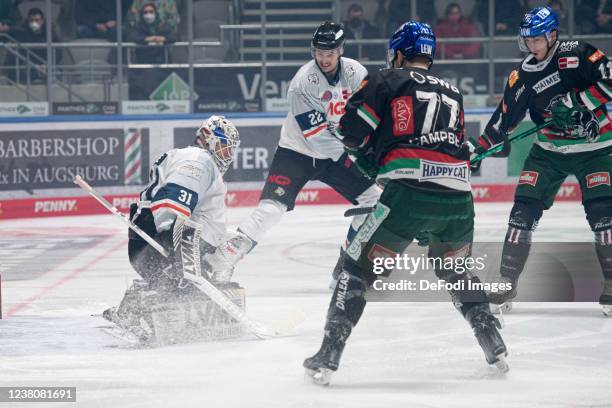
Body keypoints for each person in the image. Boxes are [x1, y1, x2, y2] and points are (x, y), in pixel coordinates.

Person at [303, 21, 508, 386]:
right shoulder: (454, 92)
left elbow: (351, 131)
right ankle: (491, 338)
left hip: (408, 195)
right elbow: (455, 147)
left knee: (354, 270)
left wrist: (366, 156)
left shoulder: (387, 79)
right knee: (457, 270)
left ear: (399, 53)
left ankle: (329, 353)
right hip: (459, 199)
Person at [205, 21, 381, 285]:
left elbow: (368, 117)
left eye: (330, 53)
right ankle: (221, 259)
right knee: (271, 209)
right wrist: (357, 159)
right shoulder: (302, 83)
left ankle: (347, 266)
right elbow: (318, 138)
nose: (324, 58)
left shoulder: (357, 74)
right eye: (319, 53)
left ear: (340, 50)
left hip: (336, 155)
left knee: (374, 202)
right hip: (296, 152)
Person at [468, 6, 612, 315]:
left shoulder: (577, 53)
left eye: (536, 39)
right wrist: (476, 149)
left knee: (604, 216)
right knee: (521, 213)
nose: (531, 46)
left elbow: (610, 80)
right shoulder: (522, 77)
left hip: (596, 148)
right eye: (527, 40)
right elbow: (502, 121)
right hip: (548, 153)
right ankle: (507, 281)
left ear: (552, 35)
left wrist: (576, 103)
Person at [103, 116, 242, 343]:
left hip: (154, 240)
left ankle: (133, 308)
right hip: (162, 241)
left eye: (230, 151)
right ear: (208, 139)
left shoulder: (195, 159)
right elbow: (172, 205)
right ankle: (142, 309)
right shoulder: (199, 159)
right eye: (225, 148)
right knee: (187, 291)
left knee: (191, 282)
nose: (227, 156)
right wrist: (175, 251)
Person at [4, 8, 59, 82]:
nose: (34, 23)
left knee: (57, 73)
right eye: (31, 20)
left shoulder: (50, 33)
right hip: (28, 68)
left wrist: (45, 65)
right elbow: (19, 54)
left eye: (37, 20)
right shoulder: (22, 33)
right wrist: (33, 66)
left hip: (46, 67)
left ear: (42, 21)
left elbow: (58, 53)